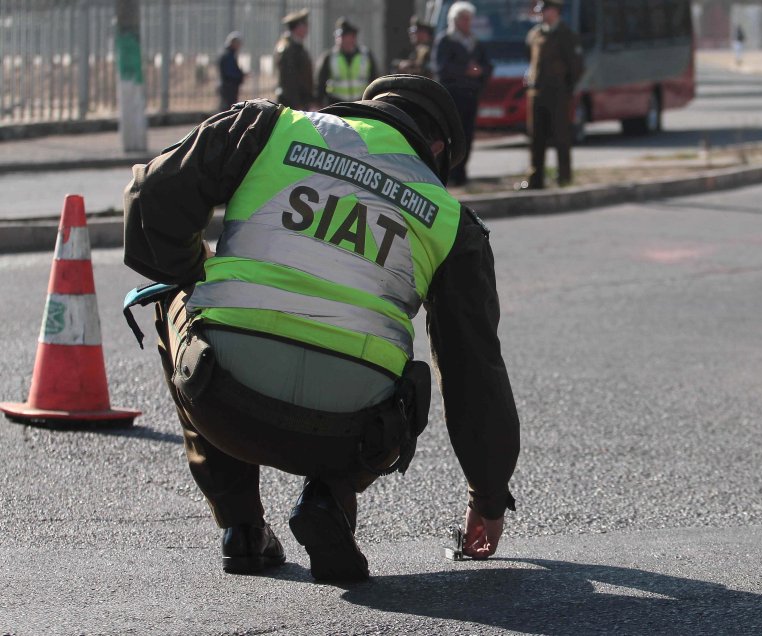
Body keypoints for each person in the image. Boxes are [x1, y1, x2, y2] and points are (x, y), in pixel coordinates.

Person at [121, 74, 521, 582]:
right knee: (390, 364)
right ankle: (328, 499)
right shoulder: (451, 221)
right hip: (352, 436)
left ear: (361, 109)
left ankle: (242, 529)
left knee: (172, 294)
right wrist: (488, 498)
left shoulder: (270, 127)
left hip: (222, 400)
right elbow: (475, 371)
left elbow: (150, 196)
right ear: (437, 148)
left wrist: (189, 271)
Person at [521, 0, 583, 190]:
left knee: (561, 136)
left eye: (546, 10)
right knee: (536, 138)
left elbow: (576, 67)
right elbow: (529, 58)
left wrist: (566, 89)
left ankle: (563, 177)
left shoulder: (566, 35)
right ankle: (535, 179)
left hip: (557, 94)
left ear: (555, 11)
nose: (542, 14)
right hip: (536, 93)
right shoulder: (535, 34)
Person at [433, 1, 492, 186]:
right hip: (452, 97)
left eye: (469, 19)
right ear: (455, 20)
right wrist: (465, 70)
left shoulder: (475, 42)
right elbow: (441, 67)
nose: (467, 22)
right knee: (450, 136)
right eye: (464, 19)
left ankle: (461, 174)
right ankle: (448, 173)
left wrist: (480, 71)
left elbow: (487, 65)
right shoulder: (446, 40)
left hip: (471, 96)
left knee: (467, 136)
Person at [315, 17, 380, 106]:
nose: (341, 40)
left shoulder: (366, 55)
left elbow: (375, 79)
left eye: (345, 36)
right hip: (336, 103)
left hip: (361, 102)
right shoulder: (329, 56)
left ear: (353, 38)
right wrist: (318, 103)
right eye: (339, 37)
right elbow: (320, 83)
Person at [275, 9, 314, 110]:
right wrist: (297, 104)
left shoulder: (297, 46)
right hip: (292, 104)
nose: (307, 29)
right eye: (305, 25)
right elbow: (289, 80)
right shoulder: (288, 48)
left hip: (300, 102)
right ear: (298, 28)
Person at [216, 31, 246, 110]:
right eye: (238, 43)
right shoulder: (227, 55)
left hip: (229, 87)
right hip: (228, 87)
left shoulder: (230, 54)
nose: (239, 45)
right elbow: (230, 72)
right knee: (227, 109)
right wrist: (241, 75)